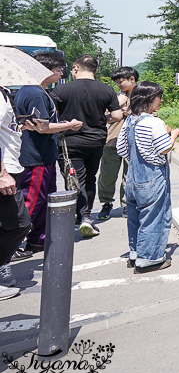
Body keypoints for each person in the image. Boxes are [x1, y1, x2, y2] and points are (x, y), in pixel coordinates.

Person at [12, 52, 82, 260]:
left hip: (44, 155)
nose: (61, 74)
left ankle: (37, 238)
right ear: (44, 71)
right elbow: (41, 127)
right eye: (58, 70)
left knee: (44, 199)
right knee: (31, 200)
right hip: (35, 156)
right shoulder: (34, 93)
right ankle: (13, 243)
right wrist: (69, 125)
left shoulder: (37, 91)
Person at [53, 55, 123, 238]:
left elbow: (53, 116)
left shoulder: (61, 89)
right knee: (90, 177)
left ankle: (83, 217)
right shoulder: (106, 90)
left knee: (75, 179)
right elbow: (116, 115)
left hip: (70, 142)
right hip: (96, 140)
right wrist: (101, 119)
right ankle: (86, 215)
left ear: (76, 68)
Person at [116, 81, 179, 273]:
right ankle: (150, 259)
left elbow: (121, 148)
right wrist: (174, 134)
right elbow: (164, 148)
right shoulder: (154, 122)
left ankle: (135, 253)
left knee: (135, 218)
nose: (160, 100)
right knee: (154, 218)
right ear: (148, 99)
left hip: (133, 179)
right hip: (152, 178)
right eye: (158, 97)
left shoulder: (130, 121)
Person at [1, 86, 32, 300]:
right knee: (20, 223)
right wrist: (1, 173)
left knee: (12, 223)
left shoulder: (3, 92)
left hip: (11, 166)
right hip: (5, 170)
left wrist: (19, 126)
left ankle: (2, 264)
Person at [97, 66, 139, 221]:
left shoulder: (143, 95)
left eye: (121, 82)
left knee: (130, 176)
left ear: (132, 79)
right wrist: (118, 107)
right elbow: (101, 117)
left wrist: (132, 111)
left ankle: (127, 204)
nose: (119, 85)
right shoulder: (113, 97)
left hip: (134, 141)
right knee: (107, 175)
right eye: (117, 83)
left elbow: (153, 114)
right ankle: (106, 203)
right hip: (112, 139)